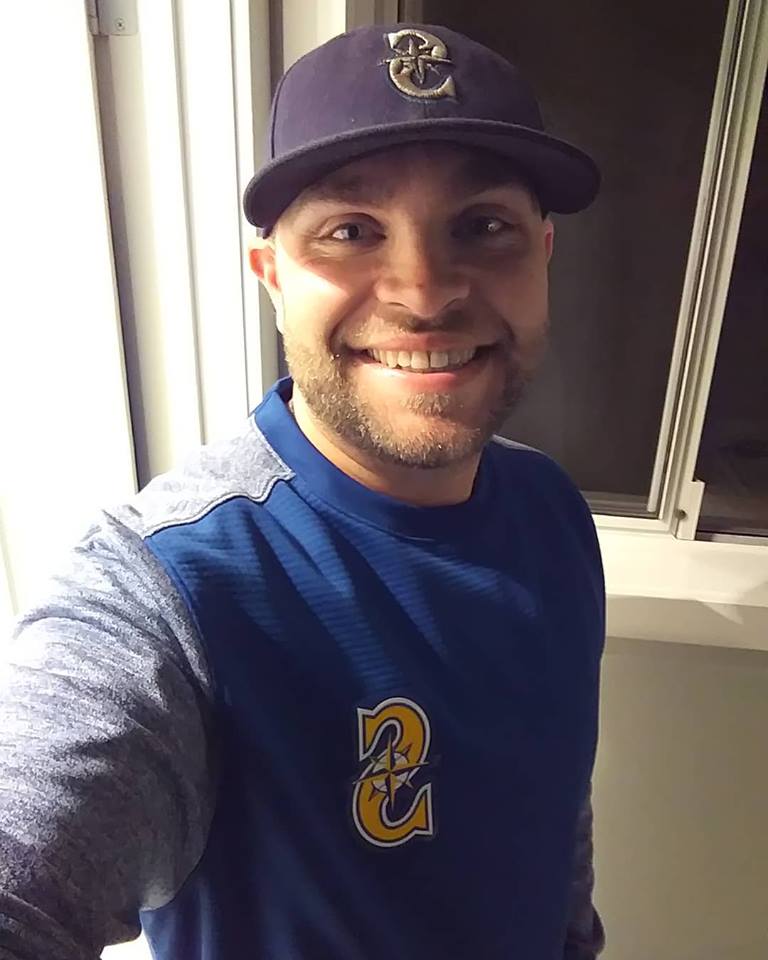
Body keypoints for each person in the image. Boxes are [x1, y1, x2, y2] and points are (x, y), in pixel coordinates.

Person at [0, 22, 606, 960]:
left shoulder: (554, 515)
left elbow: (556, 832)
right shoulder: (168, 589)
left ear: (544, 255)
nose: (425, 293)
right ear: (273, 277)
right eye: (351, 232)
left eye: (483, 226)